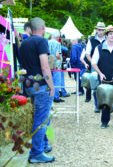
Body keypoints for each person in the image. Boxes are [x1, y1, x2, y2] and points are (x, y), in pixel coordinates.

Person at [19, 17, 55, 163]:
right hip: (40, 87)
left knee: (42, 117)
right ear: (43, 27)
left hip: (28, 86)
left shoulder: (24, 43)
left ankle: (43, 145)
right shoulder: (41, 41)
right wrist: (52, 86)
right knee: (41, 120)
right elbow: (45, 66)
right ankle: (36, 153)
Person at [92, 26, 113, 130]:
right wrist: (100, 73)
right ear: (106, 35)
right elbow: (93, 62)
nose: (112, 36)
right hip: (104, 79)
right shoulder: (99, 48)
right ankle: (104, 121)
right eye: (110, 34)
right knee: (105, 100)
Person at [85, 22, 106, 113]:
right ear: (96, 30)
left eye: (102, 30)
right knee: (95, 87)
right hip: (95, 67)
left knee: (106, 86)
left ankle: (106, 105)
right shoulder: (91, 40)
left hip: (107, 66)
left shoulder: (108, 39)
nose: (100, 31)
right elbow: (87, 54)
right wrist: (93, 63)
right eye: (99, 29)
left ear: (104, 31)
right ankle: (97, 106)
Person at [48, 31, 65, 103]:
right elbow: (57, 54)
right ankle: (56, 97)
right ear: (57, 37)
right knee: (57, 81)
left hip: (48, 64)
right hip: (56, 65)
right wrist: (60, 59)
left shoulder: (47, 42)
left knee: (49, 81)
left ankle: (50, 96)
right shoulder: (57, 43)